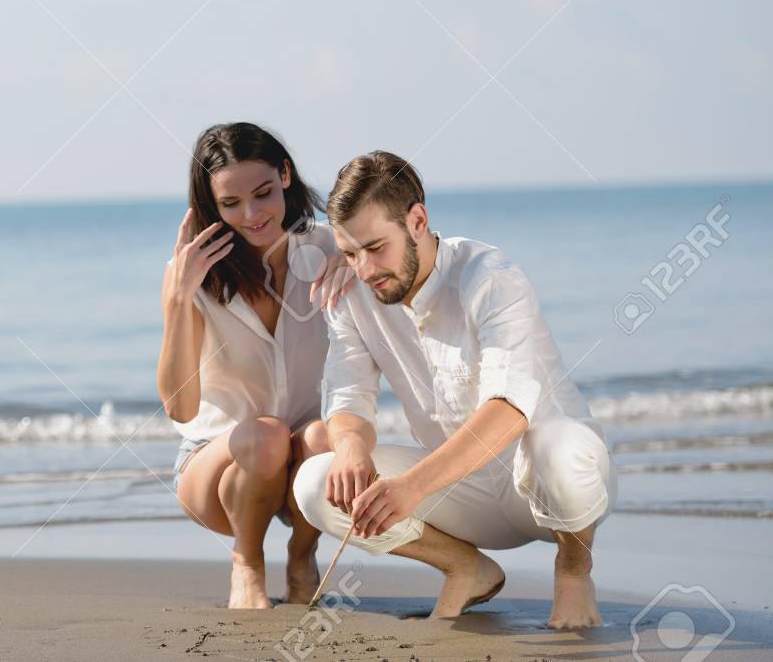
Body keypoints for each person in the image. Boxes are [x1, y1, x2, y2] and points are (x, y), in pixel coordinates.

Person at [292, 151, 616, 628]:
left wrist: (412, 485)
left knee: (557, 447)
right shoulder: (354, 295)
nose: (362, 269)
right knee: (317, 483)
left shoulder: (490, 276)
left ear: (417, 220)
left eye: (375, 247)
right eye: (349, 253)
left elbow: (510, 409)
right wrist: (351, 447)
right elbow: (347, 396)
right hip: (459, 496)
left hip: (547, 490)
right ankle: (467, 568)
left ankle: (573, 568)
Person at [158, 122, 344, 609]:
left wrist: (355, 264)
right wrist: (179, 298)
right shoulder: (193, 276)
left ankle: (302, 558)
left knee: (326, 434)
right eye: (230, 204)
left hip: (298, 470)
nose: (251, 214)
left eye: (262, 193)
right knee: (265, 434)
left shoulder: (327, 249)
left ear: (285, 174)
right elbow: (179, 409)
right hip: (216, 469)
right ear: (209, 208)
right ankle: (247, 563)